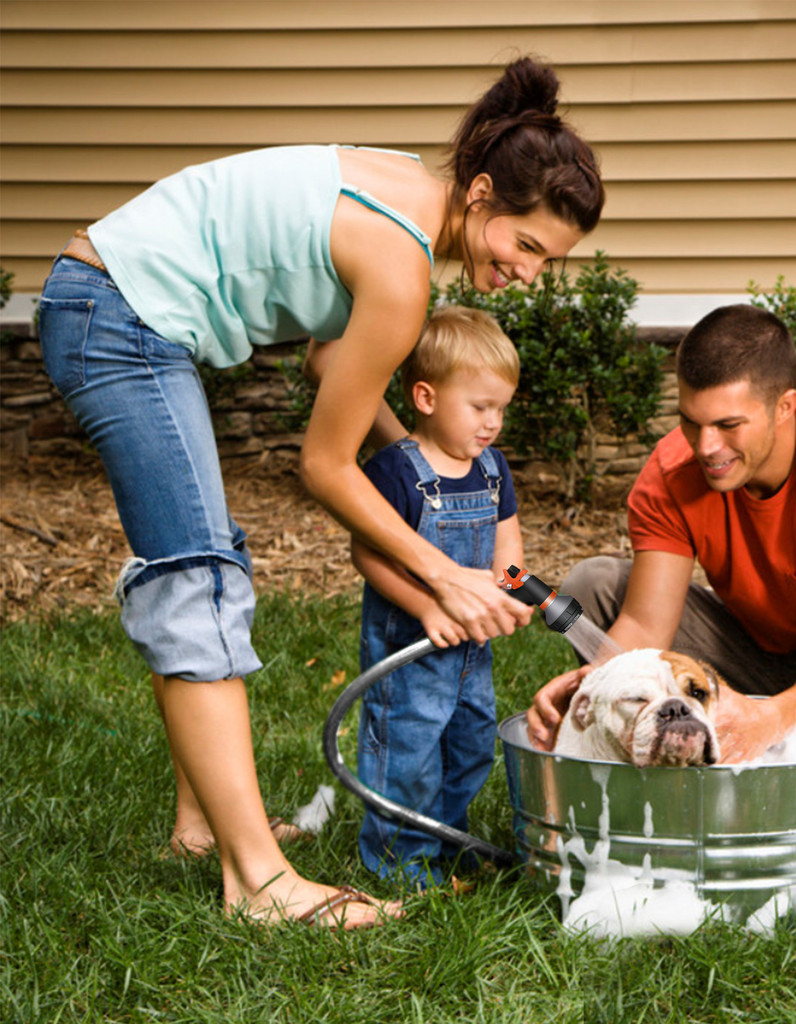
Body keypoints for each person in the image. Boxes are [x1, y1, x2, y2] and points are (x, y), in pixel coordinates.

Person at [37, 56, 604, 930]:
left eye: (549, 261)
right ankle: (261, 885)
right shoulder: (402, 265)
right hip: (115, 317)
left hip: (106, 302)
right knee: (197, 575)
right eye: (525, 244)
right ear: (484, 193)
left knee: (207, 557)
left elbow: (331, 363)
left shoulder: (406, 187)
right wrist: (441, 573)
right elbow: (323, 466)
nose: (529, 271)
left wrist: (415, 455)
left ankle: (200, 832)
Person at [527, 304, 796, 820]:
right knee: (597, 582)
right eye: (692, 423)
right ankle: (639, 783)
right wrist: (593, 683)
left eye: (729, 425)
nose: (707, 447)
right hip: (747, 653)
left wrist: (770, 718)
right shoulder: (672, 472)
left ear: (785, 406)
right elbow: (646, 624)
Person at [352, 306, 522, 888]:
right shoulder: (396, 472)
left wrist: (513, 590)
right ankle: (401, 862)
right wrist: (426, 605)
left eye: (500, 408)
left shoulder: (492, 469)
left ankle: (447, 842)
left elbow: (509, 552)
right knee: (409, 754)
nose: (492, 422)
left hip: (471, 653)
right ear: (425, 397)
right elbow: (368, 555)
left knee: (471, 746)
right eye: (479, 407)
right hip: (411, 650)